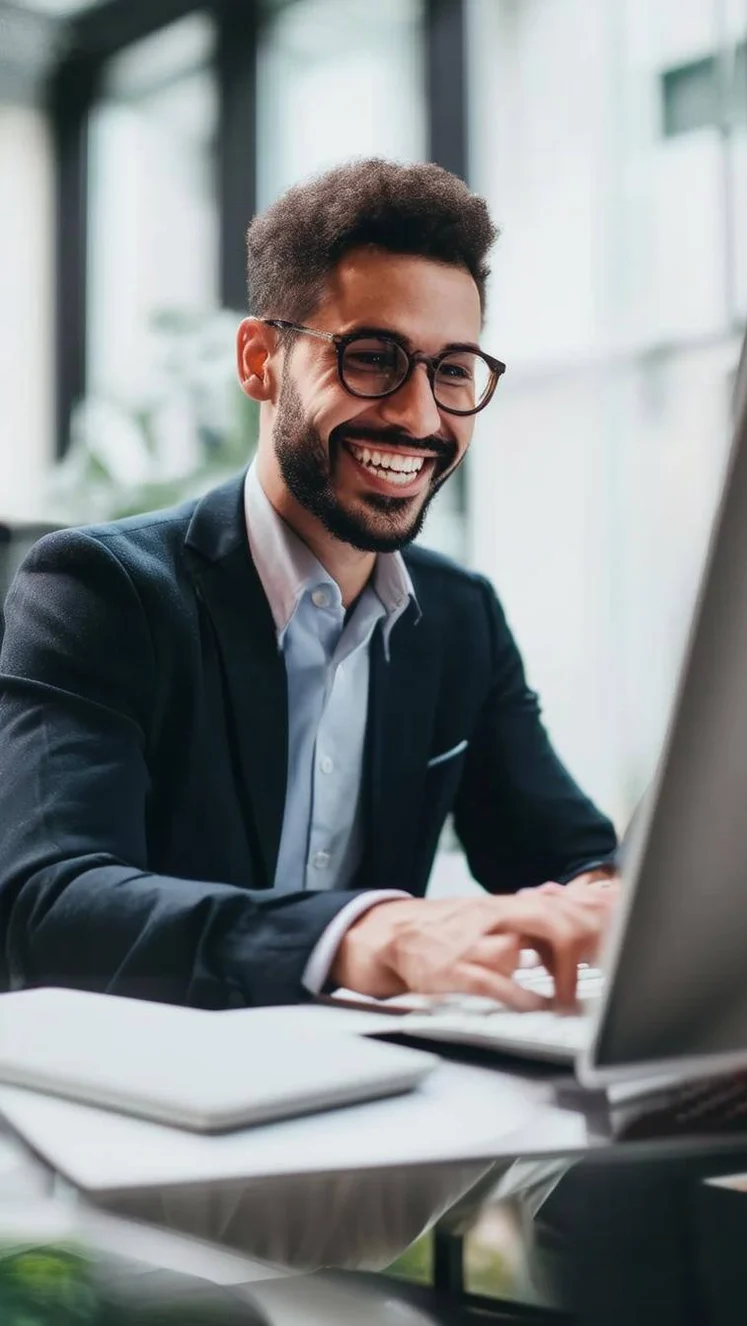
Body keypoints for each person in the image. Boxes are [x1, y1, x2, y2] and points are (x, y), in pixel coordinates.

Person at [0, 158, 619, 1010]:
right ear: (260, 361)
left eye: (453, 370)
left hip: (373, 1094)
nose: (419, 416)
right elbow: (48, 905)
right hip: (143, 1107)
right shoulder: (97, 592)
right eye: (372, 357)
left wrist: (603, 900)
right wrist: (372, 935)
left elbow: (569, 855)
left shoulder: (459, 619)